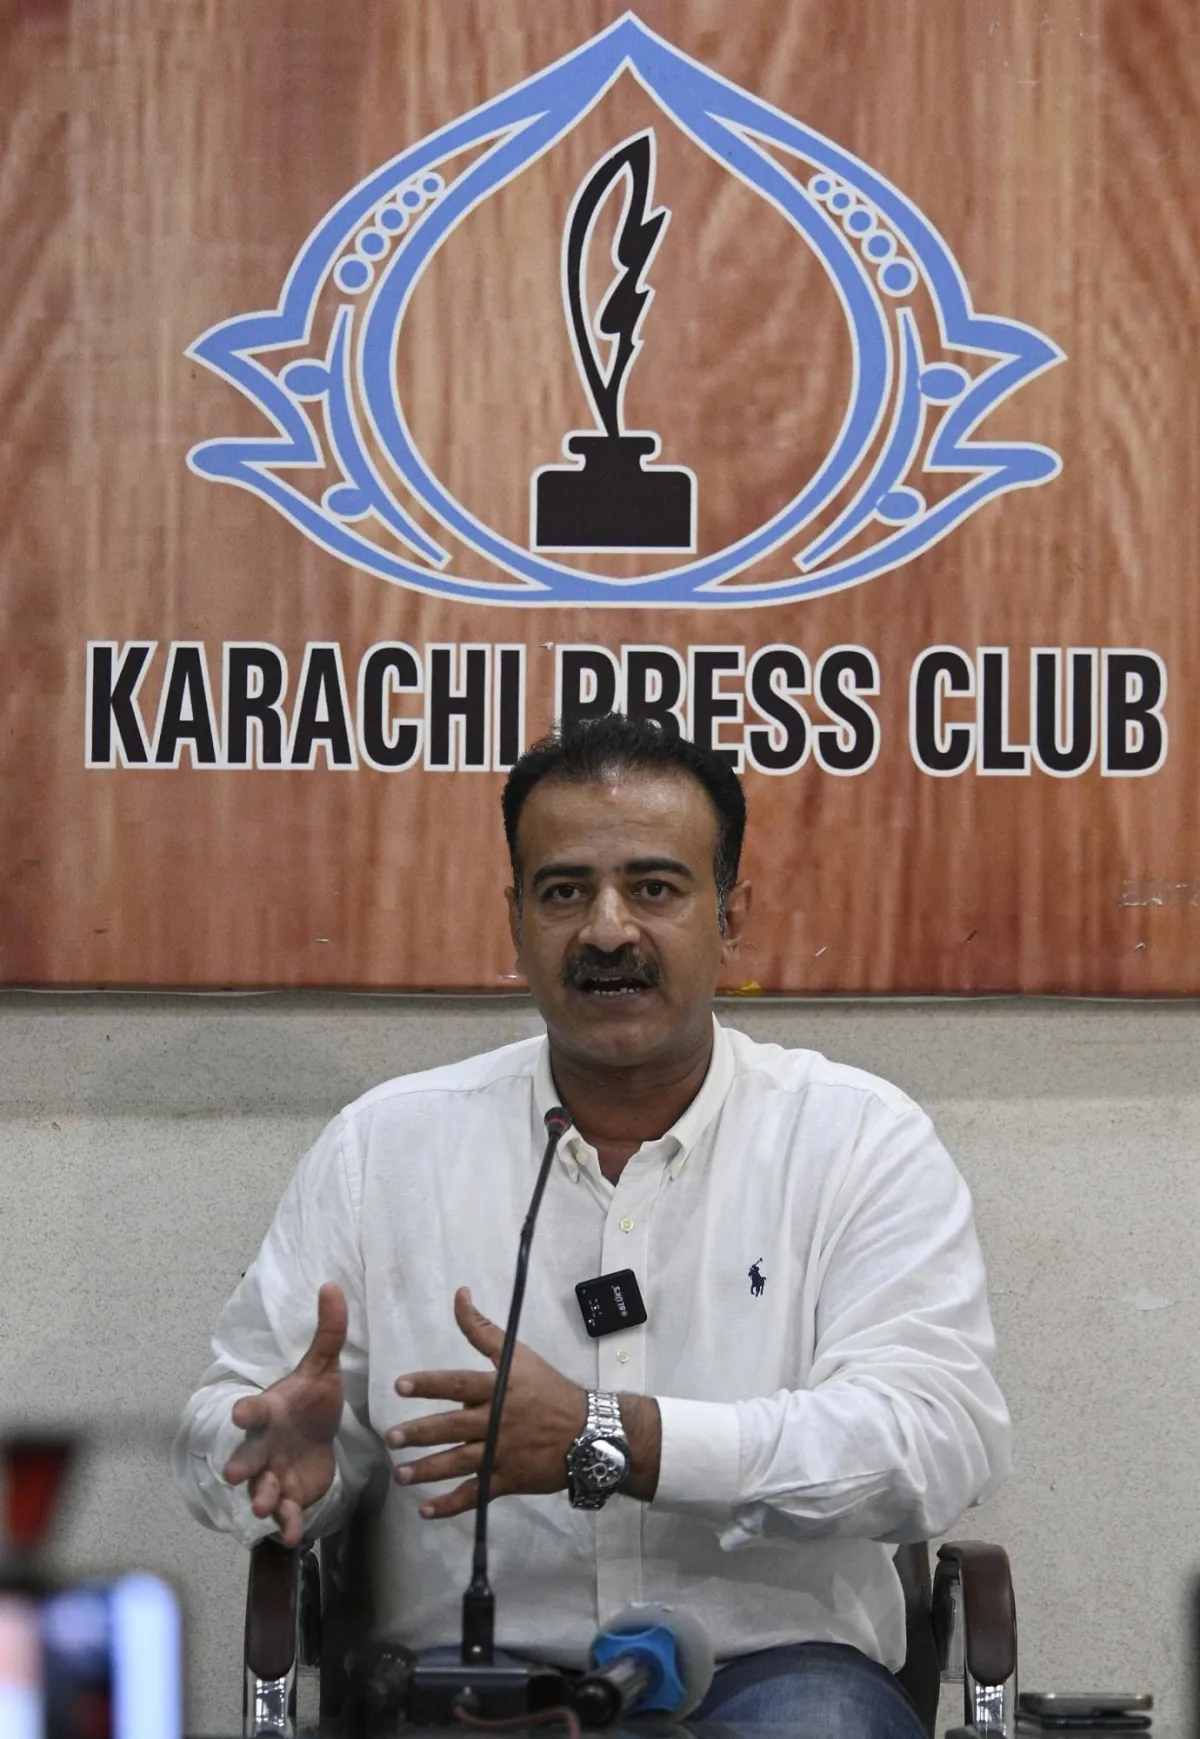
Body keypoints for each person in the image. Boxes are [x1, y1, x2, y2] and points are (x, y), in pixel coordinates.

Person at [174, 714, 1010, 1737]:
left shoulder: (855, 1138)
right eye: (565, 891)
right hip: (464, 1679)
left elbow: (938, 1440)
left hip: (777, 1673)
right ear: (516, 920)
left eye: (654, 888)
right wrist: (277, 1460)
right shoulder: (384, 1147)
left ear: (730, 917)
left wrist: (623, 1438)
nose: (608, 930)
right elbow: (230, 1424)